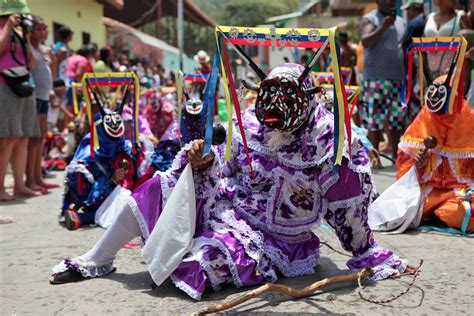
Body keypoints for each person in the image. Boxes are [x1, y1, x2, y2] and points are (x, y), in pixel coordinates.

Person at [50, 63, 413, 299]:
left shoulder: (328, 140)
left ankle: (191, 245)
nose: (271, 111)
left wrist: (366, 252)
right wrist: (203, 161)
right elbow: (225, 177)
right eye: (267, 99)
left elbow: (347, 208)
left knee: (195, 266)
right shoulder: (250, 128)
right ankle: (96, 259)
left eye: (284, 101)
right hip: (226, 207)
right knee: (161, 184)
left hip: (276, 239)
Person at [396, 77, 474, 232]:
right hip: (429, 191)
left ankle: (441, 213)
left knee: (462, 212)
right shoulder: (424, 119)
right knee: (400, 209)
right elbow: (404, 168)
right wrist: (418, 164)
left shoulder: (469, 121)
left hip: (459, 192)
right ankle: (435, 212)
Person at [0, 1, 41, 201]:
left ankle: (20, 185)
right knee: (7, 139)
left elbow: (30, 63)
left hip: (23, 87)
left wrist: (25, 36)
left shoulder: (18, 34)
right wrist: (7, 27)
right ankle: (0, 187)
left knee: (23, 138)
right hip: (4, 86)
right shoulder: (4, 30)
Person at [358, 0, 407, 164]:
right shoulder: (369, 19)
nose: (389, 2)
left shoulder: (401, 22)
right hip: (375, 78)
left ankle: (395, 156)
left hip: (397, 78)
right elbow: (365, 40)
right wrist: (384, 27)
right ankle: (375, 157)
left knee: (396, 120)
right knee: (374, 121)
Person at [26, 15, 59, 193]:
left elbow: (51, 76)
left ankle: (38, 177)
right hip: (33, 96)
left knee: (39, 139)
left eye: (44, 29)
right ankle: (30, 179)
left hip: (44, 96)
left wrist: (53, 61)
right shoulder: (29, 46)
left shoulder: (44, 50)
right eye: (38, 28)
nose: (42, 32)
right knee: (32, 139)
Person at [424, 0, 465, 77]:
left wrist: (455, 68)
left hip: (452, 72)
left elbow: (467, 45)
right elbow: (423, 44)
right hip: (430, 73)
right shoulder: (429, 17)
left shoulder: (461, 16)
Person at [402, 0, 426, 128]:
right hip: (425, 71)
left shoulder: (414, 24)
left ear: (413, 9)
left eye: (408, 10)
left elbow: (405, 46)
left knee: (412, 110)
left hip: (414, 71)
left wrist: (407, 72)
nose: (407, 13)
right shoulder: (425, 21)